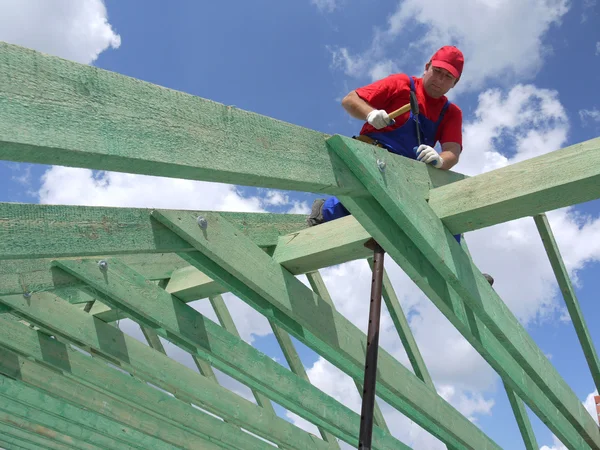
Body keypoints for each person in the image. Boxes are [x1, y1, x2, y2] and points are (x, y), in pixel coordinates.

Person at [307, 45, 495, 285]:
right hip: (374, 155)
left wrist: (439, 160)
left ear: (454, 84)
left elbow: (452, 152)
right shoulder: (401, 84)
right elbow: (350, 100)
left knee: (444, 205)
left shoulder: (451, 113)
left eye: (448, 76)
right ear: (427, 67)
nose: (440, 79)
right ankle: (326, 211)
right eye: (437, 71)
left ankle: (459, 269)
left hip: (410, 172)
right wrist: (370, 114)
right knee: (369, 187)